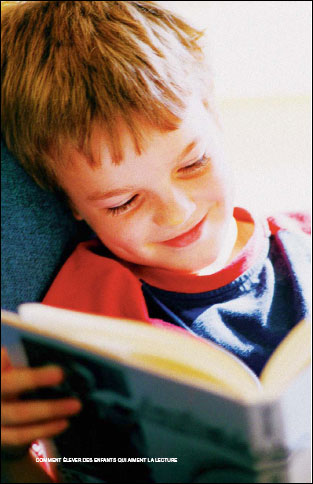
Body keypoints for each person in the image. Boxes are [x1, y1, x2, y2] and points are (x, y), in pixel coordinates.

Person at [1, 1, 310, 482]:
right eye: (123, 201)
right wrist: (15, 455)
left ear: (216, 118)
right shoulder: (78, 316)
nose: (178, 212)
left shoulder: (303, 239)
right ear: (72, 205)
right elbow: (75, 467)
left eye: (193, 164)